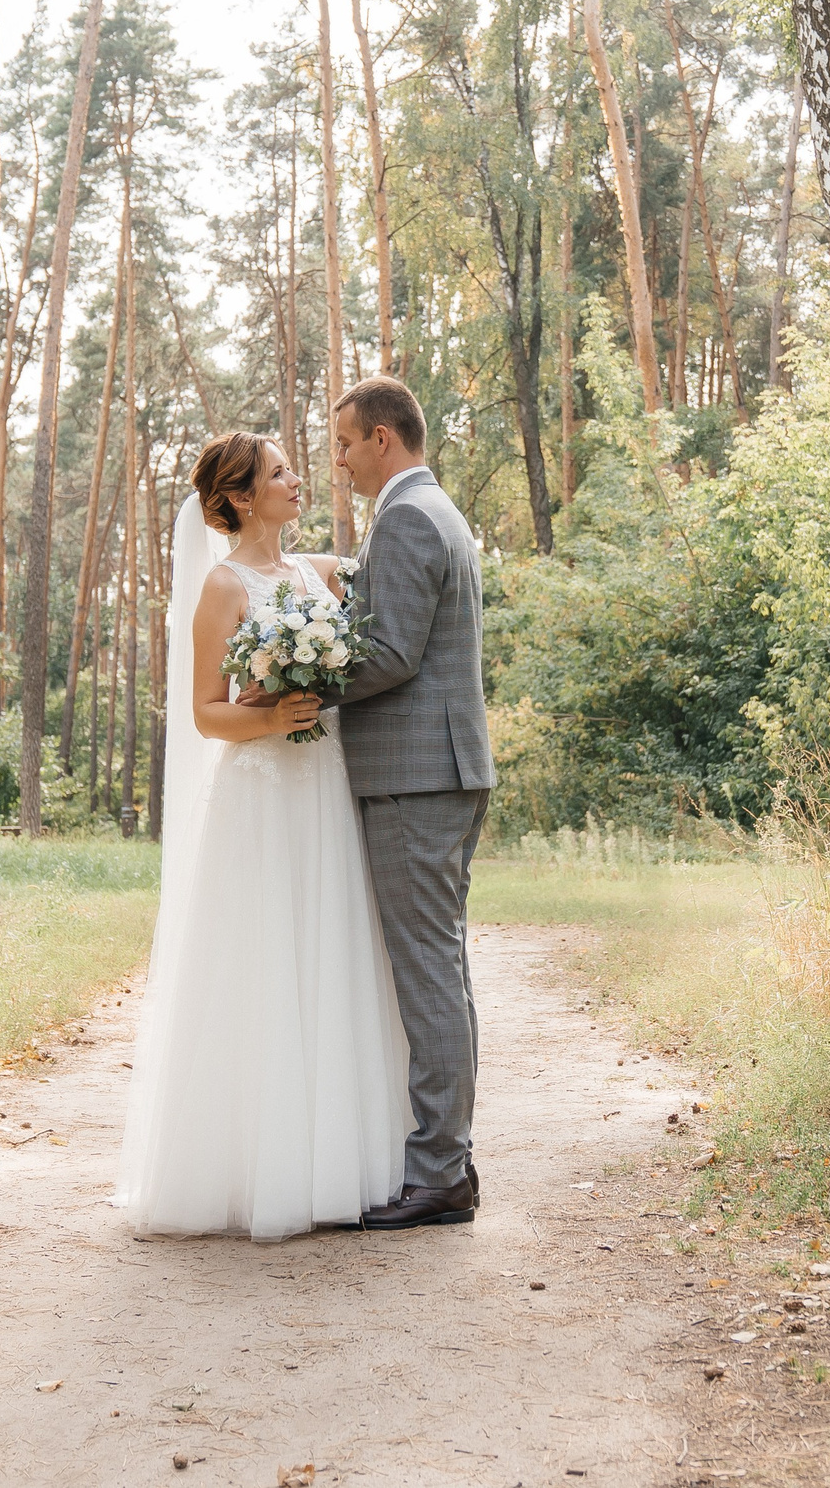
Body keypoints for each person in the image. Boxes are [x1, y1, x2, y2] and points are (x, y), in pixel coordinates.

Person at [114, 432, 410, 1241]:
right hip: (261, 793)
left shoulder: (320, 574)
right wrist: (274, 716)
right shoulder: (222, 586)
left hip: (323, 787)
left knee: (328, 952)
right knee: (261, 963)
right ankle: (254, 1167)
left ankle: (336, 1163)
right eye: (280, 472)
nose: (297, 478)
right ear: (242, 497)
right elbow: (206, 712)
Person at [326, 376, 496, 1230]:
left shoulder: (404, 519)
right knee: (444, 966)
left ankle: (438, 1170)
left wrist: (300, 683)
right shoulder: (439, 512)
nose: (341, 463)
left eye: (346, 444)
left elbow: (389, 652)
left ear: (383, 438)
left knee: (429, 971)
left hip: (415, 775)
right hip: (444, 770)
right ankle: (449, 1159)